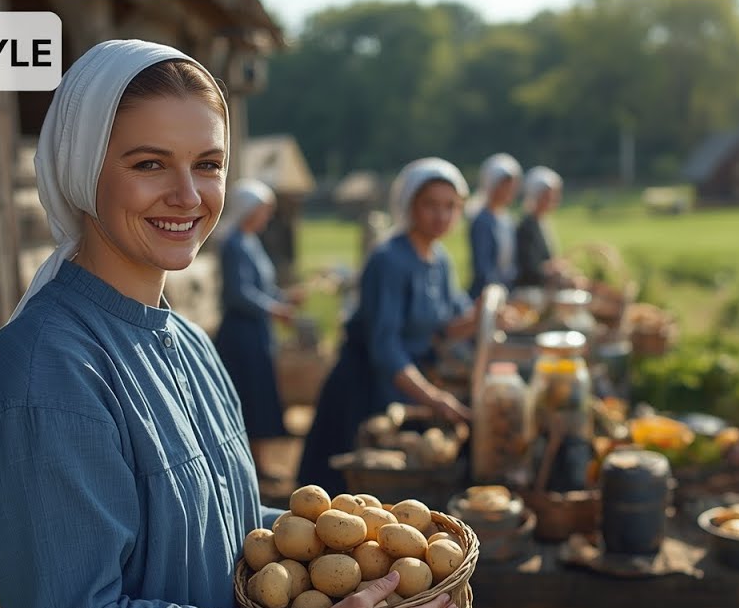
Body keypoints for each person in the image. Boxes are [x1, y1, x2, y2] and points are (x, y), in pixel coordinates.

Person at [0, 40, 456, 608]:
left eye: (208, 164)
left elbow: (217, 526)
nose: (188, 195)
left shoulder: (185, 341)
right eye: (149, 163)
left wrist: (367, 547)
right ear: (81, 168)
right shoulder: (43, 383)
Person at [297, 158, 479, 497]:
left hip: (408, 387)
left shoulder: (439, 260)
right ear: (409, 205)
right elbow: (385, 348)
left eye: (450, 206)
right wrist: (435, 397)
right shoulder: (389, 260)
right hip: (367, 386)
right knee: (346, 502)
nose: (442, 215)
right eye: (430, 205)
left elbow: (444, 327)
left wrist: (482, 316)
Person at [213, 178, 302, 480]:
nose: (267, 217)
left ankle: (256, 463)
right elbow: (240, 294)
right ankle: (250, 465)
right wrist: (274, 308)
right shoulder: (234, 244)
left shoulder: (250, 241)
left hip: (256, 331)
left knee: (258, 394)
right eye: (263, 210)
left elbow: (260, 288)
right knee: (248, 397)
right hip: (241, 335)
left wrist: (284, 298)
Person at [465, 152, 523, 299]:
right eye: (505, 186)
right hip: (486, 296)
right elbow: (483, 269)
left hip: (507, 291)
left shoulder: (507, 219)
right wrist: (500, 294)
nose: (510, 191)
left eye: (512, 186)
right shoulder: (481, 220)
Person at [514, 165, 565, 288]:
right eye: (547, 196)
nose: (553, 200)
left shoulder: (543, 223)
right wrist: (551, 270)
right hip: (531, 289)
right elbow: (529, 269)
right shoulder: (526, 227)